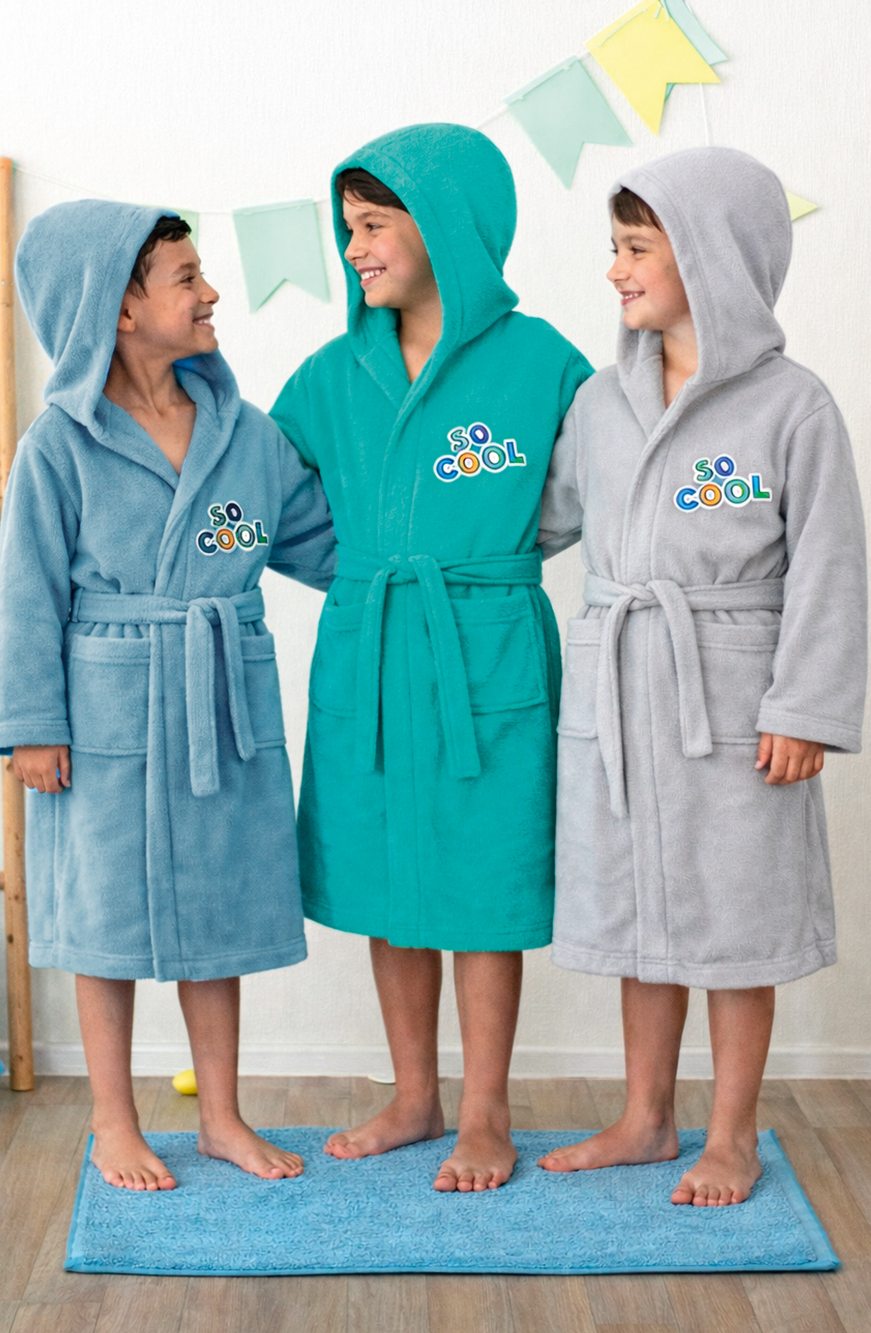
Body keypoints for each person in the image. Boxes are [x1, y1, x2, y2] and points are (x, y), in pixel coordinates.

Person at [537, 147, 867, 1205]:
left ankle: (731, 1133)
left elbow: (829, 564)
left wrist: (804, 706)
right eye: (616, 248)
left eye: (637, 249)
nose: (616, 270)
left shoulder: (792, 406)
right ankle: (644, 1117)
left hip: (733, 697)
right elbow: (541, 519)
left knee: (734, 923)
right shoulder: (600, 400)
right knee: (642, 918)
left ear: (712, 257)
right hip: (618, 686)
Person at [0, 202, 335, 1190]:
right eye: (187, 278)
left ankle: (221, 1116)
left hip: (220, 701)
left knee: (215, 909)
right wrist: (32, 727)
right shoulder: (59, 444)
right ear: (121, 306)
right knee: (105, 918)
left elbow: (326, 544)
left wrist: (435, 551)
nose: (211, 292)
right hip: (106, 707)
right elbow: (26, 591)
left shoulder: (244, 436)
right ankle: (113, 1122)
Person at [271, 123, 592, 1192]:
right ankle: (415, 1096)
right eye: (347, 228)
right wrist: (363, 573)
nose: (354, 248)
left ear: (447, 226)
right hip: (370, 648)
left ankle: (487, 1112)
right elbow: (266, 498)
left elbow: (590, 493)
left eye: (374, 225)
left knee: (483, 883)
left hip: (485, 649)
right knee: (388, 876)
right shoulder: (332, 373)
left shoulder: (540, 362)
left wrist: (491, 568)